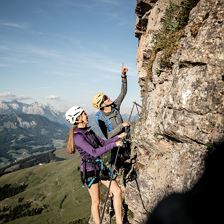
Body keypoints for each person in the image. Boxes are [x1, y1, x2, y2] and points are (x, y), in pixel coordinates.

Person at [65, 106, 126, 224]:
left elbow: (103, 143)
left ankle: (119, 222)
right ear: (78, 119)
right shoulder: (77, 137)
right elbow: (94, 152)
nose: (86, 115)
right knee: (96, 201)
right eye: (83, 114)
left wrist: (118, 137)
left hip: (99, 167)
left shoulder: (89, 131)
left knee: (117, 191)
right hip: (89, 171)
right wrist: (115, 144)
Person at [92, 64, 131, 168]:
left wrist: (123, 76)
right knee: (117, 165)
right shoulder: (100, 117)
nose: (108, 98)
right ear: (101, 104)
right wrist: (121, 126)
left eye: (106, 96)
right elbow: (108, 136)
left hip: (126, 138)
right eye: (105, 98)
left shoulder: (115, 106)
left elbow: (123, 92)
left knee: (129, 159)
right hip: (116, 143)